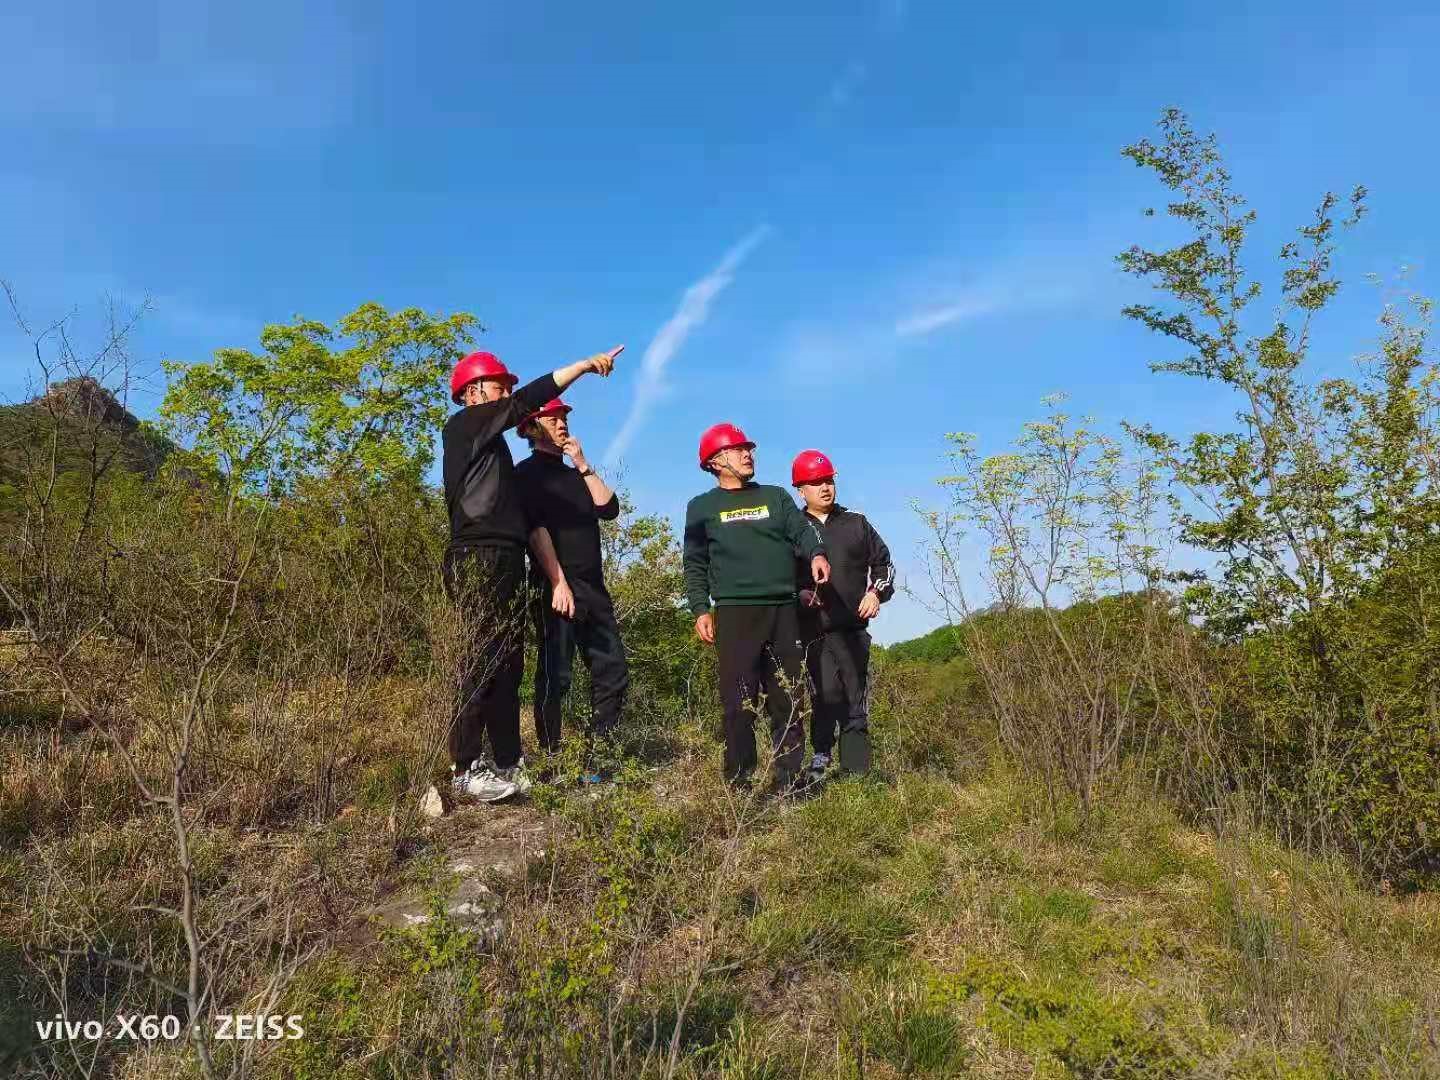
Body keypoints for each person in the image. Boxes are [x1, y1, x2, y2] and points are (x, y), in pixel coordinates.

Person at [442, 347, 620, 802]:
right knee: (477, 661)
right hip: (475, 556)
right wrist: (579, 368)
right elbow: (526, 403)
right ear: (471, 391)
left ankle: (508, 762)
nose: (507, 393)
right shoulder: (464, 426)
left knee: (508, 664)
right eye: (500, 385)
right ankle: (465, 768)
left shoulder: (493, 444)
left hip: (507, 558)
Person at [683, 423, 831, 792]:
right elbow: (694, 563)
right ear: (715, 461)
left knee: (788, 698)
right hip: (735, 613)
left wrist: (816, 553)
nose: (747, 454)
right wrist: (701, 608)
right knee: (738, 703)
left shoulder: (776, 497)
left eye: (749, 448)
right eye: (737, 449)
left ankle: (791, 783)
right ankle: (740, 784)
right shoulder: (702, 508)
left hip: (782, 611)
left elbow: (802, 530)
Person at [514, 398, 628, 778]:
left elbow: (609, 509)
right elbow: (535, 529)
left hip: (593, 587)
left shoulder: (574, 474)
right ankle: (551, 766)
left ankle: (601, 763)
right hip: (555, 586)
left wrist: (582, 464)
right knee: (555, 676)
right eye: (553, 418)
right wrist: (557, 582)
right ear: (532, 428)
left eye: (564, 418)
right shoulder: (526, 474)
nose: (562, 424)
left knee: (612, 671)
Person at [791, 449, 895, 783]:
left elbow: (884, 564)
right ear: (800, 489)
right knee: (825, 694)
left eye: (829, 480)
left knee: (854, 698)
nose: (825, 488)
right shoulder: (791, 530)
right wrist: (799, 596)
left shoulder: (857, 524)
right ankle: (821, 756)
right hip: (813, 633)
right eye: (815, 482)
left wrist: (875, 592)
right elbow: (780, 578)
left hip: (853, 630)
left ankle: (857, 773)